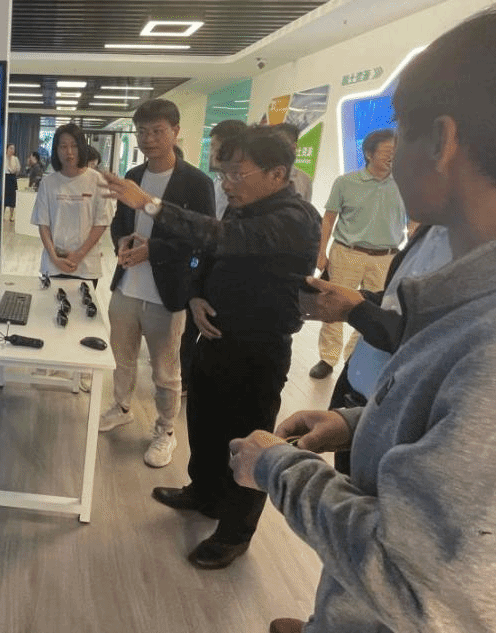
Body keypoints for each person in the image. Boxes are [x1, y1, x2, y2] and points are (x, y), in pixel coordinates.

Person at [228, 6, 496, 631]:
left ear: (440, 141)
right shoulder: (476, 288)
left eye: (400, 133)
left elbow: (418, 586)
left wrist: (276, 466)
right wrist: (358, 424)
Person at [102, 126, 320, 569]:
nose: (228, 184)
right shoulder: (245, 207)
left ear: (277, 174)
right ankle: (203, 492)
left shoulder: (294, 218)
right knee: (204, 424)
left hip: (257, 349)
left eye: (237, 174)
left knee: (248, 442)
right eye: (225, 174)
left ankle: (234, 532)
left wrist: (149, 203)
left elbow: (221, 237)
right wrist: (197, 293)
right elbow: (208, 253)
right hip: (214, 336)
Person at [98, 99, 215, 469]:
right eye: (142, 131)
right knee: (122, 357)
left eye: (157, 131)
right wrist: (121, 242)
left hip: (168, 293)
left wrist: (153, 250)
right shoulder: (133, 174)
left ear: (175, 132)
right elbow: (121, 221)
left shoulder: (196, 182)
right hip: (126, 287)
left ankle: (165, 430)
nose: (148, 138)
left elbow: (201, 238)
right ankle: (121, 406)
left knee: (165, 371)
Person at [301, 223, 452, 475]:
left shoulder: (494, 262)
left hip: (400, 424)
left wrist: (357, 311)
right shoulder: (430, 231)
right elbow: (396, 302)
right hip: (357, 405)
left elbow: (436, 339)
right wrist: (358, 300)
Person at [309, 128, 411, 379]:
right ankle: (327, 358)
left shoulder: (405, 184)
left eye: (396, 152)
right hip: (348, 252)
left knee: (372, 310)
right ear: (368, 153)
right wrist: (321, 252)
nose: (392, 157)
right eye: (387, 151)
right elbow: (329, 219)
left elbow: (414, 221)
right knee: (334, 304)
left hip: (386, 257)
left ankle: (352, 357)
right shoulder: (346, 183)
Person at [179, 119, 249, 397]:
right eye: (213, 147)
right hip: (205, 263)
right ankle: (185, 379)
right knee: (189, 328)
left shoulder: (267, 209)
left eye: (218, 147)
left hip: (231, 282)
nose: (213, 154)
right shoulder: (216, 184)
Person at [31, 123, 111, 286]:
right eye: (63, 146)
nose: (69, 152)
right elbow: (43, 224)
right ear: (56, 150)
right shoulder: (48, 183)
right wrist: (54, 258)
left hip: (86, 266)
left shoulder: (97, 180)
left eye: (74, 146)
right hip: (53, 265)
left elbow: (101, 223)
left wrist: (79, 254)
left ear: (82, 148)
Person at [271, 122, 313, 204]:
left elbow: (305, 209)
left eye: (286, 144)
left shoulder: (304, 180)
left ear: (295, 147)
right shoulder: (262, 174)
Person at [3, 143, 21, 222]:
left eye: (13, 149)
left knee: (12, 198)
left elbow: (18, 169)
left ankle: (11, 216)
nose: (12, 150)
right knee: (4, 197)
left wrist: (15, 171)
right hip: (5, 178)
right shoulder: (3, 158)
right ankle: (2, 215)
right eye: (10, 148)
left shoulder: (15, 159)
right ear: (6, 149)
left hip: (12, 178)